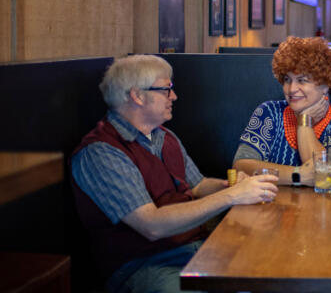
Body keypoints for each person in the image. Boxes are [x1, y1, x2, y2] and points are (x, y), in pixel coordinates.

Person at [71, 55, 278, 293]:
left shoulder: (164, 136)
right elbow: (151, 225)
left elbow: (198, 185)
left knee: (265, 277)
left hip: (195, 248)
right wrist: (231, 197)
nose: (174, 97)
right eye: (166, 90)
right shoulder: (101, 152)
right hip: (142, 265)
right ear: (137, 95)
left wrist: (233, 186)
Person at [233, 36, 331, 185]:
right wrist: (298, 175)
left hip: (328, 207)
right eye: (287, 79)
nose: (292, 89)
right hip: (272, 206)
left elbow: (323, 179)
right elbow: (240, 167)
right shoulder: (269, 112)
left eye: (302, 80)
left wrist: (304, 122)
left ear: (326, 84)